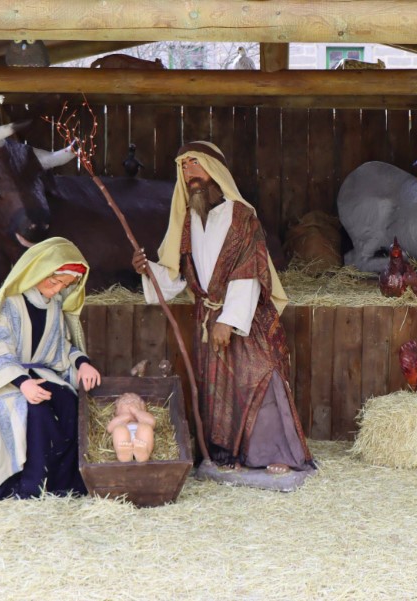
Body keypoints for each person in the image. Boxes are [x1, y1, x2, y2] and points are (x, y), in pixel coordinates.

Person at [132, 141, 313, 476]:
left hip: (247, 322)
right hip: (209, 318)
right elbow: (180, 279)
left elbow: (248, 271)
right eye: (184, 168)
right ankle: (227, 455)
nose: (190, 174)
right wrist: (149, 271)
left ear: (215, 170)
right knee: (220, 392)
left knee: (259, 378)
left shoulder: (242, 217)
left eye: (195, 165)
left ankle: (276, 453)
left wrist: (228, 321)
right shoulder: (189, 222)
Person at [0, 238, 101, 499]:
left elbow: (61, 349)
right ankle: (26, 486)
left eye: (64, 286)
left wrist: (82, 363)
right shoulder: (6, 306)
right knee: (36, 410)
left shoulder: (53, 308)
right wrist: (23, 383)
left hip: (39, 374)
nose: (56, 291)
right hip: (3, 380)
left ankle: (62, 484)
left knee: (68, 403)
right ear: (37, 272)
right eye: (53, 282)